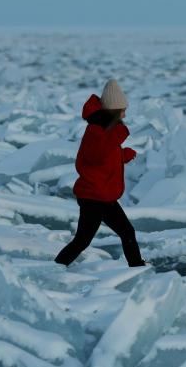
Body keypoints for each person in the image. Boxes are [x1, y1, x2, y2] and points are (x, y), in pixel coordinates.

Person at [55, 78, 147, 267]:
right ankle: (55, 268)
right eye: (122, 110)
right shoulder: (95, 131)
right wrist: (119, 134)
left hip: (103, 196)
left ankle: (137, 268)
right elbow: (97, 155)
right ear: (113, 110)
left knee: (127, 232)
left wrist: (123, 154)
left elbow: (104, 155)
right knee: (82, 241)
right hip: (94, 198)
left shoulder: (104, 131)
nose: (125, 114)